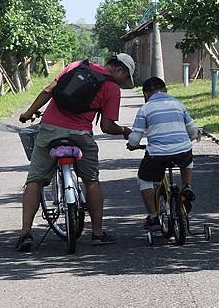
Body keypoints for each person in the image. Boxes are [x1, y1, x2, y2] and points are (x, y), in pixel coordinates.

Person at [16, 54, 135, 251]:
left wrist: (28, 113)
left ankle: (25, 233)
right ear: (120, 71)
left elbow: (48, 90)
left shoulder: (78, 65)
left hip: (50, 130)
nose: (123, 83)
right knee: (92, 182)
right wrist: (123, 130)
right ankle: (97, 234)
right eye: (125, 78)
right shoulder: (111, 88)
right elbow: (106, 126)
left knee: (35, 180)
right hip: (81, 136)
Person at [127, 76, 200, 228]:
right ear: (166, 90)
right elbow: (193, 131)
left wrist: (132, 145)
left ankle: (153, 215)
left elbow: (134, 139)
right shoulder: (178, 104)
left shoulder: (145, 109)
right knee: (188, 158)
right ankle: (187, 185)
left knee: (144, 179)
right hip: (182, 151)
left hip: (157, 154)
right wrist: (189, 138)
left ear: (145, 94)